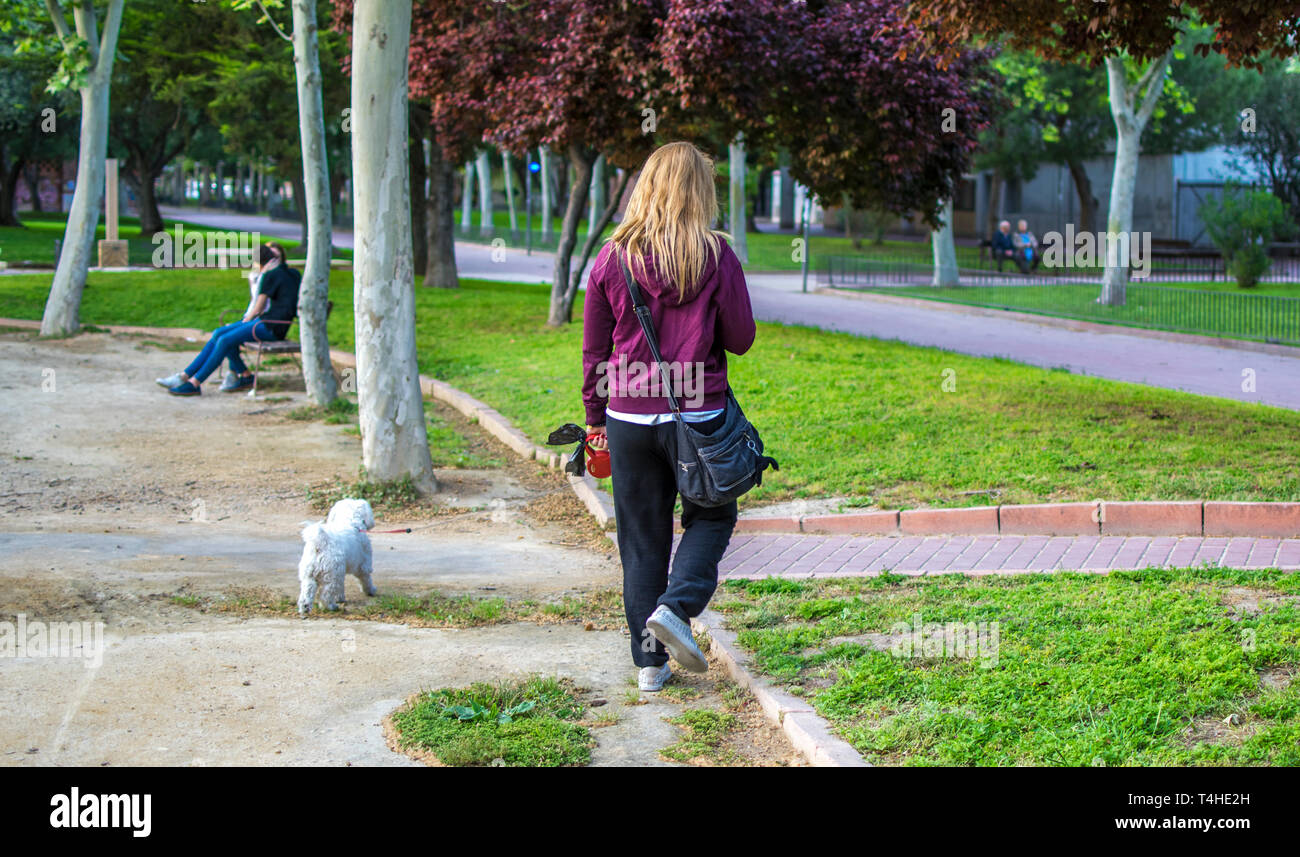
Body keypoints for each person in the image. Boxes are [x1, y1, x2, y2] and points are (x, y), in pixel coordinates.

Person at [581, 142, 756, 693]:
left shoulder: (613, 257)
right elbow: (742, 339)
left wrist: (594, 420)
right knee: (712, 516)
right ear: (699, 192)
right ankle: (677, 608)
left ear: (647, 186)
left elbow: (595, 352)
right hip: (699, 414)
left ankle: (650, 665)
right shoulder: (716, 256)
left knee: (642, 538)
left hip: (627, 418)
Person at [155, 242, 300, 396]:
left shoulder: (270, 275)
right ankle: (241, 376)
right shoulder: (293, 273)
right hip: (274, 323)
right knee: (220, 333)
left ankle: (194, 383)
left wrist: (243, 324)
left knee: (225, 339)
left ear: (259, 262)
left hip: (270, 327)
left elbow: (258, 307)